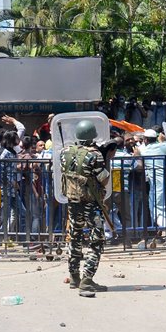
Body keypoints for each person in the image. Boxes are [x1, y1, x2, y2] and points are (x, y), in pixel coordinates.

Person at [60, 120, 110, 293]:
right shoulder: (95, 155)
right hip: (90, 203)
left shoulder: (65, 152)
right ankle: (87, 278)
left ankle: (74, 277)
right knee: (97, 240)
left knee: (75, 237)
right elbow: (103, 178)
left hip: (73, 202)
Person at [139, 128, 166, 242]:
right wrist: (163, 140)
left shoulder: (143, 150)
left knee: (156, 209)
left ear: (145, 140)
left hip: (157, 183)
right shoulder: (165, 146)